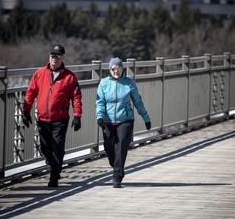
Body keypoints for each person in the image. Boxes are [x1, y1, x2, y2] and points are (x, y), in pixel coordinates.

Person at [22, 44, 82, 187]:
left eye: (57, 56)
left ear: (63, 58)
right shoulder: (40, 73)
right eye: (52, 55)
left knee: (57, 147)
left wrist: (77, 115)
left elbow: (76, 97)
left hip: (60, 119)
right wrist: (26, 111)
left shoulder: (69, 77)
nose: (54, 58)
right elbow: (30, 92)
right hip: (43, 118)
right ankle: (53, 163)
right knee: (45, 147)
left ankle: (54, 176)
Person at [95, 57, 151, 188]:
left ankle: (117, 176)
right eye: (113, 69)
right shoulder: (103, 83)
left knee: (121, 149)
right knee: (109, 150)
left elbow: (138, 102)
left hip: (125, 120)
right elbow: (100, 102)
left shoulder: (129, 83)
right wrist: (100, 117)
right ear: (109, 70)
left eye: (118, 69)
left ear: (122, 69)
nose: (116, 71)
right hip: (107, 121)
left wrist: (146, 118)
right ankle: (117, 167)